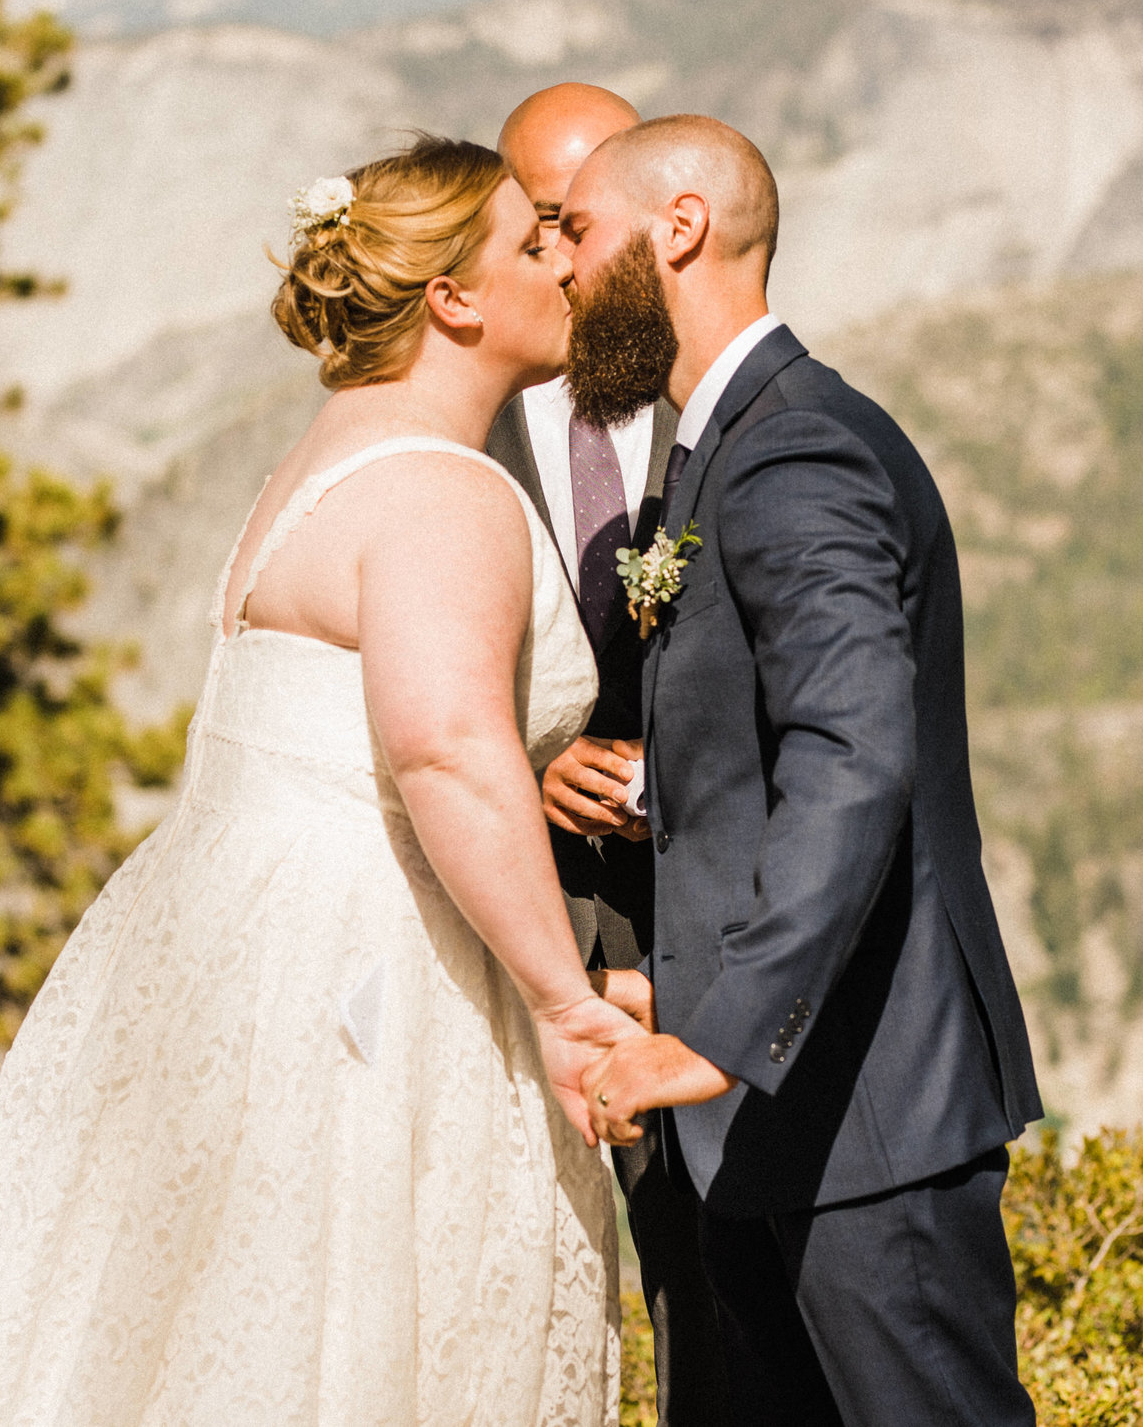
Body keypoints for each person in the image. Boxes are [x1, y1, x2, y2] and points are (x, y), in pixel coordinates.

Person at [0, 136, 641, 1427]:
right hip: (368, 983)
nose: (567, 262)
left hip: (233, 946)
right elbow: (446, 748)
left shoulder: (318, 468)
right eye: (532, 243)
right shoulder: (442, 489)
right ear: (452, 297)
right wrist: (566, 1007)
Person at [563, 117, 1047, 1426]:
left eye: (580, 233)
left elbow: (856, 754)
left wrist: (715, 1041)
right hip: (792, 1120)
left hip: (864, 1112)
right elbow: (774, 754)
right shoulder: (726, 450)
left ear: (679, 227)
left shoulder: (795, 450)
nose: (560, 271)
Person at [484, 82, 727, 1424]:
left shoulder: (720, 418)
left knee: (708, 1277)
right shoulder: (463, 422)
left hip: (694, 931)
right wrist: (526, 774)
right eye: (548, 222)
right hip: (513, 928)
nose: (571, 258)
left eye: (589, 219)